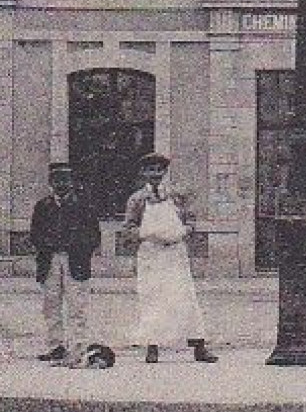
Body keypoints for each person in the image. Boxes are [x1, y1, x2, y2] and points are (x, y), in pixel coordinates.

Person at [123, 153, 216, 364]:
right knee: (152, 300)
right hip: (151, 254)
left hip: (175, 253)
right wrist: (146, 233)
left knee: (185, 298)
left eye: (159, 170)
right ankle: (152, 347)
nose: (155, 174)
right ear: (144, 173)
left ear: (165, 172)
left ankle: (199, 347)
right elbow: (128, 228)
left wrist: (184, 231)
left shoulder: (176, 196)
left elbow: (191, 220)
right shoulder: (137, 200)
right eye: (151, 170)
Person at [29, 162, 101, 365]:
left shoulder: (84, 206)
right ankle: (56, 347)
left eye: (65, 180)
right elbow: (35, 235)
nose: (61, 184)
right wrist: (50, 244)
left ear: (72, 182)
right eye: (57, 180)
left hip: (75, 261)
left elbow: (94, 236)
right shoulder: (42, 206)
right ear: (50, 183)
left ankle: (78, 348)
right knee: (51, 306)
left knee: (77, 306)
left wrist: (74, 245)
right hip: (50, 260)